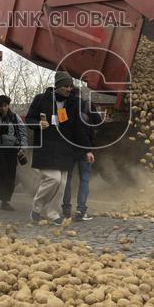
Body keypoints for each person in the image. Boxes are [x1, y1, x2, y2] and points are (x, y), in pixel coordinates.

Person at [25, 71, 96, 224]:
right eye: (66, 86)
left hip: (64, 150)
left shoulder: (72, 103)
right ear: (57, 85)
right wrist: (38, 124)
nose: (69, 89)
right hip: (46, 148)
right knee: (53, 179)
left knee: (62, 184)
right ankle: (36, 208)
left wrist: (87, 150)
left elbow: (78, 129)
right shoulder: (41, 99)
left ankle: (53, 213)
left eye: (71, 86)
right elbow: (29, 119)